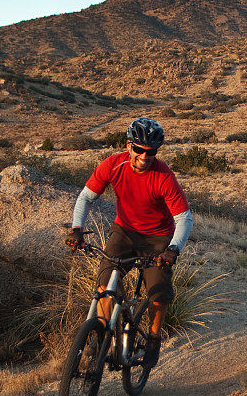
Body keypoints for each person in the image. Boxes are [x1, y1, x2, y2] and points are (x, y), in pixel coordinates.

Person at [65, 118, 193, 368]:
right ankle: (101, 335)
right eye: (140, 149)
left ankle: (153, 340)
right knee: (104, 285)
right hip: (124, 231)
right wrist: (77, 229)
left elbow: (184, 217)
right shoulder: (113, 165)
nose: (145, 156)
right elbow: (86, 197)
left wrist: (173, 249)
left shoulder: (164, 176)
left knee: (158, 291)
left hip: (157, 237)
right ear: (128, 145)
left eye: (152, 151)